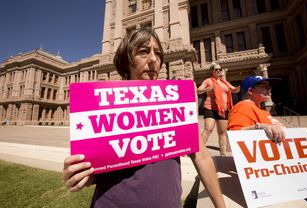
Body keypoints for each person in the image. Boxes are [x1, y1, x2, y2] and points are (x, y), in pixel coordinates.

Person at [63, 27, 226, 208]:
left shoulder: (175, 102)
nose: (154, 60)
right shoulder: (105, 104)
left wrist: (221, 206)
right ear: (127, 60)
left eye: (157, 53)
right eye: (144, 51)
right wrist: (82, 175)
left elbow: (202, 158)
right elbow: (95, 171)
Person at [197, 63, 240, 156]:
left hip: (222, 110)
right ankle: (198, 151)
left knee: (222, 132)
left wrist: (242, 86)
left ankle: (223, 153)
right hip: (210, 108)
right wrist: (207, 89)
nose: (218, 71)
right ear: (212, 71)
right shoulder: (208, 81)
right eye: (216, 69)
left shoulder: (224, 82)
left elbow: (233, 89)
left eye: (219, 69)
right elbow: (198, 90)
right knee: (208, 129)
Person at [227, 75, 285, 142]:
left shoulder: (261, 110)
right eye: (264, 86)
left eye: (269, 86)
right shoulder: (244, 105)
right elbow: (234, 134)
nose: (269, 89)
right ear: (250, 91)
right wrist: (261, 127)